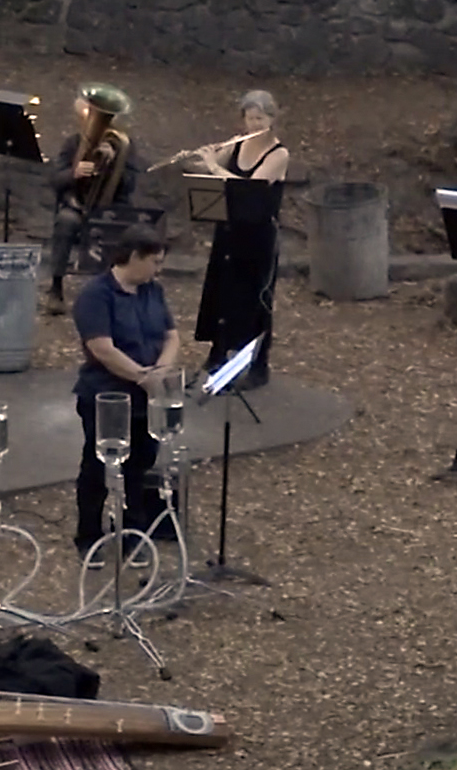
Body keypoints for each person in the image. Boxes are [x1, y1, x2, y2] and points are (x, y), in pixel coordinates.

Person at [72, 227, 179, 559]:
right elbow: (102, 348)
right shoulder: (96, 295)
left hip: (147, 395)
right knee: (98, 466)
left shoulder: (153, 291)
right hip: (107, 396)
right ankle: (89, 535)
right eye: (154, 262)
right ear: (134, 257)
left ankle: (133, 531)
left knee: (140, 464)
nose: (157, 270)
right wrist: (140, 376)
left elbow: (171, 335)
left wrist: (161, 369)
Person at [191, 90, 288, 390]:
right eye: (250, 117)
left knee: (255, 301)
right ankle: (218, 352)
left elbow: (249, 188)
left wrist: (214, 167)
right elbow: (203, 173)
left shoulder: (278, 154)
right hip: (230, 230)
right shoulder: (236, 145)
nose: (255, 124)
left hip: (258, 236)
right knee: (222, 292)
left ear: (272, 120)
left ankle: (258, 365)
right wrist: (201, 158)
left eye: (261, 118)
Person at [46, 83, 147, 315]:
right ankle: (56, 288)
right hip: (77, 205)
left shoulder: (124, 145)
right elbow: (54, 180)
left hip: (113, 207)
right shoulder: (73, 143)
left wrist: (115, 164)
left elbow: (130, 185)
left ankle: (114, 292)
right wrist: (74, 173)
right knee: (65, 221)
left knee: (122, 229)